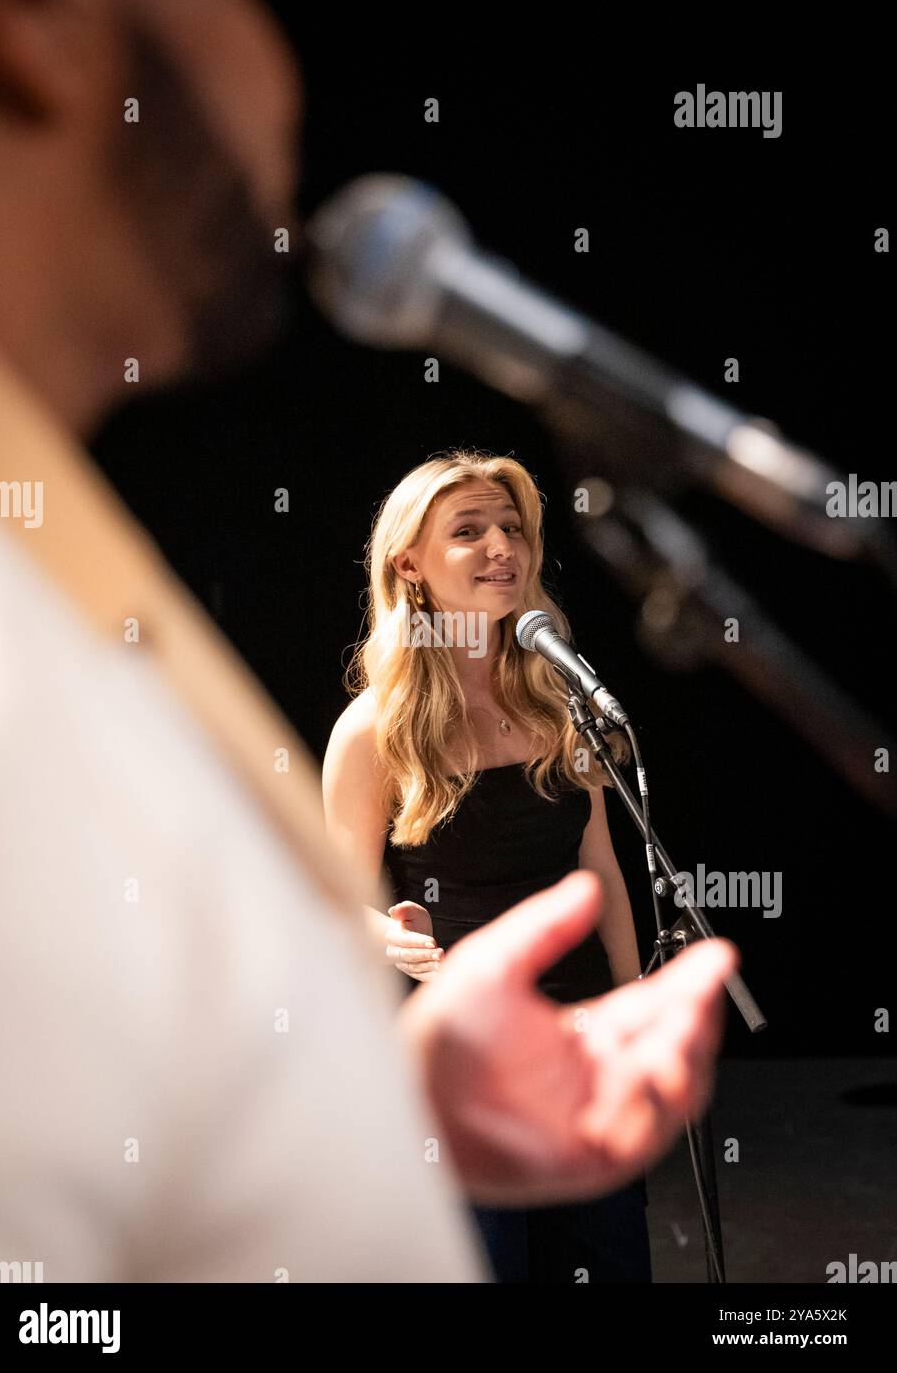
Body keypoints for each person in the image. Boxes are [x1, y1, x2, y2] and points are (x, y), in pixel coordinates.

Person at [0, 0, 738, 1283]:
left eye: (512, 527)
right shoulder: (12, 665)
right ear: (31, 18)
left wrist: (384, 1099)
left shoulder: (43, 574)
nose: (289, 79)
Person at [323, 451, 658, 1281]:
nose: (500, 546)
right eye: (468, 531)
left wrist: (628, 1008)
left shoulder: (558, 700)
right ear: (410, 564)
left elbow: (601, 869)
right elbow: (335, 910)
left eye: (512, 528)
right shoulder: (374, 733)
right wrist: (387, 939)